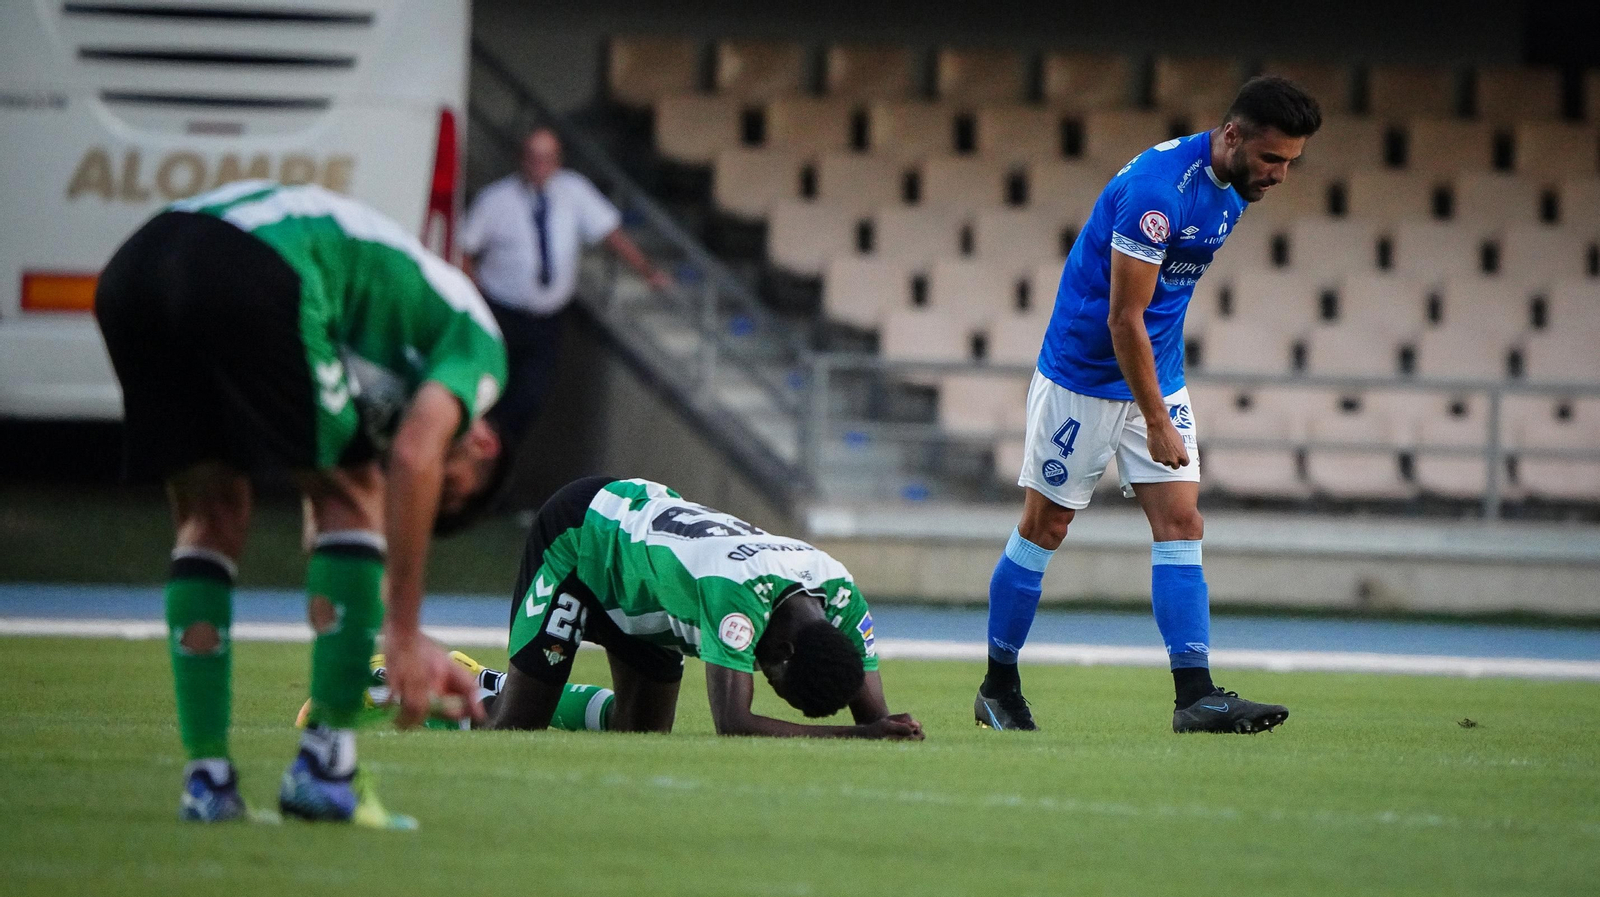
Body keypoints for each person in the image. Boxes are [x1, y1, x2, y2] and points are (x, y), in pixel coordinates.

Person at [94, 180, 508, 828]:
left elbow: (328, 537)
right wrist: (402, 632)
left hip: (136, 267)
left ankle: (208, 780)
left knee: (211, 513)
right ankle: (327, 770)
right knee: (355, 491)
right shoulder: (479, 346)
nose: (428, 491)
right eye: (451, 485)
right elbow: (410, 459)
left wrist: (383, 627)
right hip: (250, 265)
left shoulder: (371, 350)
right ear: (481, 438)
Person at [976, 77, 1322, 734]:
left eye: (1290, 162)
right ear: (1232, 135)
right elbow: (1123, 318)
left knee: (1183, 520)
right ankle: (998, 684)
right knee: (1045, 527)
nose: (1280, 174)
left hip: (1155, 372)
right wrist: (1158, 422)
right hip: (1083, 375)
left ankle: (1195, 695)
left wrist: (1161, 401)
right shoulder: (1158, 196)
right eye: (1273, 158)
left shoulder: (1233, 187)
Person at [487, 476, 924, 740]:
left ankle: (523, 688)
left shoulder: (842, 592)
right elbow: (734, 723)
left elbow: (876, 720)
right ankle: (471, 695)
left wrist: (884, 729)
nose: (758, 669)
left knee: (642, 732)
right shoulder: (738, 595)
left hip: (648, 581)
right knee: (520, 724)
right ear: (787, 652)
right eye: (772, 677)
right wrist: (855, 735)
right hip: (585, 535)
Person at [460, 127, 671, 442]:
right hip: (501, 314)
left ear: (558, 162)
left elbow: (610, 233)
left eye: (547, 159)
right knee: (487, 389)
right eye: (533, 158)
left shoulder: (573, 190)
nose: (539, 166)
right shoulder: (495, 200)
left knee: (530, 398)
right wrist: (473, 299)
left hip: (547, 320)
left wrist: (647, 270)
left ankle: (501, 454)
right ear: (521, 160)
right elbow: (465, 250)